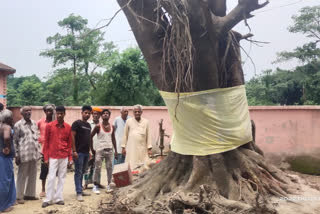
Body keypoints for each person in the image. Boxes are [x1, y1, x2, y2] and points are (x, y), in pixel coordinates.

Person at [42, 106, 73, 208]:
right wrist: (45, 157)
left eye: (61, 113)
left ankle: (59, 198)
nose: (59, 115)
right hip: (53, 156)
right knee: (51, 177)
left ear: (64, 114)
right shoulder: (49, 126)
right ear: (56, 114)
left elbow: (69, 144)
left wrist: (70, 158)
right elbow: (46, 142)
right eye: (58, 113)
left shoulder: (68, 127)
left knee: (62, 177)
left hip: (64, 156)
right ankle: (48, 199)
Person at [13, 106, 40, 204]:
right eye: (26, 111)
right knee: (22, 175)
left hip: (33, 153)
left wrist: (38, 151)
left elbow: (36, 137)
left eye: (30, 110)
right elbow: (15, 141)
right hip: (23, 154)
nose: (29, 112)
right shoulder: (18, 125)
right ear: (22, 113)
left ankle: (30, 194)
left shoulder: (34, 123)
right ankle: (19, 196)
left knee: (33, 174)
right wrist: (16, 155)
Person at [91, 109, 118, 194]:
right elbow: (90, 137)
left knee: (109, 168)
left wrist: (116, 151)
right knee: (97, 168)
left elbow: (113, 139)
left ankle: (109, 185)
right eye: (104, 114)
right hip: (100, 150)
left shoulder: (112, 127)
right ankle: (95, 185)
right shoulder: (98, 126)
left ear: (109, 116)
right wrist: (92, 149)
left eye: (107, 113)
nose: (105, 115)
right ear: (101, 116)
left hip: (109, 150)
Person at [121, 105, 152, 171]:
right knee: (131, 164)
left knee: (143, 165)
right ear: (133, 113)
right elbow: (125, 135)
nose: (137, 113)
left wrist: (149, 148)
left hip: (142, 148)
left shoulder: (146, 122)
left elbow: (148, 135)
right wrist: (123, 147)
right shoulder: (128, 121)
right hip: (131, 148)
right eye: (135, 112)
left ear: (141, 112)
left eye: (139, 111)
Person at [72, 106, 92, 202]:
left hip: (86, 153)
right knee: (78, 172)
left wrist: (89, 151)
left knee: (83, 172)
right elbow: (72, 136)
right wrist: (74, 151)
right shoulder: (77, 123)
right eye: (85, 113)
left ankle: (80, 190)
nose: (87, 114)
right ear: (82, 113)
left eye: (89, 113)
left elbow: (88, 139)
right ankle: (79, 192)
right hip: (78, 152)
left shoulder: (88, 125)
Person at [37, 104, 55, 198]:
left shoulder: (56, 122)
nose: (49, 112)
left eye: (51, 111)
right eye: (47, 111)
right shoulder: (40, 122)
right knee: (44, 170)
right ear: (45, 112)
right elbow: (35, 132)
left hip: (54, 150)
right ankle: (43, 189)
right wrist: (39, 141)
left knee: (53, 170)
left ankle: (51, 188)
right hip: (44, 150)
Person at [0, 110, 16, 212]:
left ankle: (7, 202)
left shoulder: (1, 126)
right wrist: (8, 148)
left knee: (5, 179)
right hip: (5, 158)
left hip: (2, 157)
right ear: (8, 118)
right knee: (5, 181)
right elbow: (6, 137)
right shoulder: (6, 127)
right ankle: (4, 206)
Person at [84, 107, 102, 190]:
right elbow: (87, 137)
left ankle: (97, 183)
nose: (95, 115)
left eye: (97, 114)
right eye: (94, 114)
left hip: (99, 149)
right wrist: (89, 150)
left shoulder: (101, 125)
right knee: (87, 167)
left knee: (97, 167)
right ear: (92, 115)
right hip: (90, 149)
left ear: (100, 115)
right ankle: (86, 184)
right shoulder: (88, 124)